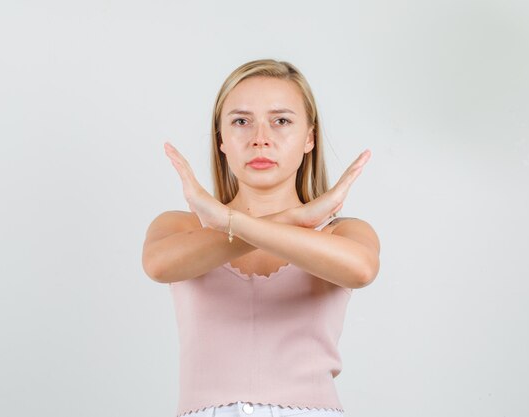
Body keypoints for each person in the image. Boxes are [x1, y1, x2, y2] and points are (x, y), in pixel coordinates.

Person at [142, 59, 380, 417]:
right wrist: (293, 219)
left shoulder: (343, 233)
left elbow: (361, 270)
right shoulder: (180, 227)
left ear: (309, 138)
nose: (260, 139)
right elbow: (159, 266)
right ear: (221, 139)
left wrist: (226, 220)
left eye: (281, 121)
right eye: (241, 121)